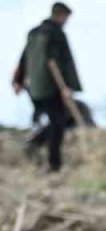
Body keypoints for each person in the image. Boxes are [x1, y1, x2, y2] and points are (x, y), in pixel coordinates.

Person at [12, 2, 80, 172]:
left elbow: (24, 57)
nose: (66, 21)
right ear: (60, 15)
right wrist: (65, 87)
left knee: (53, 120)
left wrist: (18, 81)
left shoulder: (34, 33)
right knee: (59, 122)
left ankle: (35, 143)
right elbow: (55, 61)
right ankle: (53, 163)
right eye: (66, 17)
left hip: (34, 87)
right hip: (52, 86)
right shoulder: (55, 34)